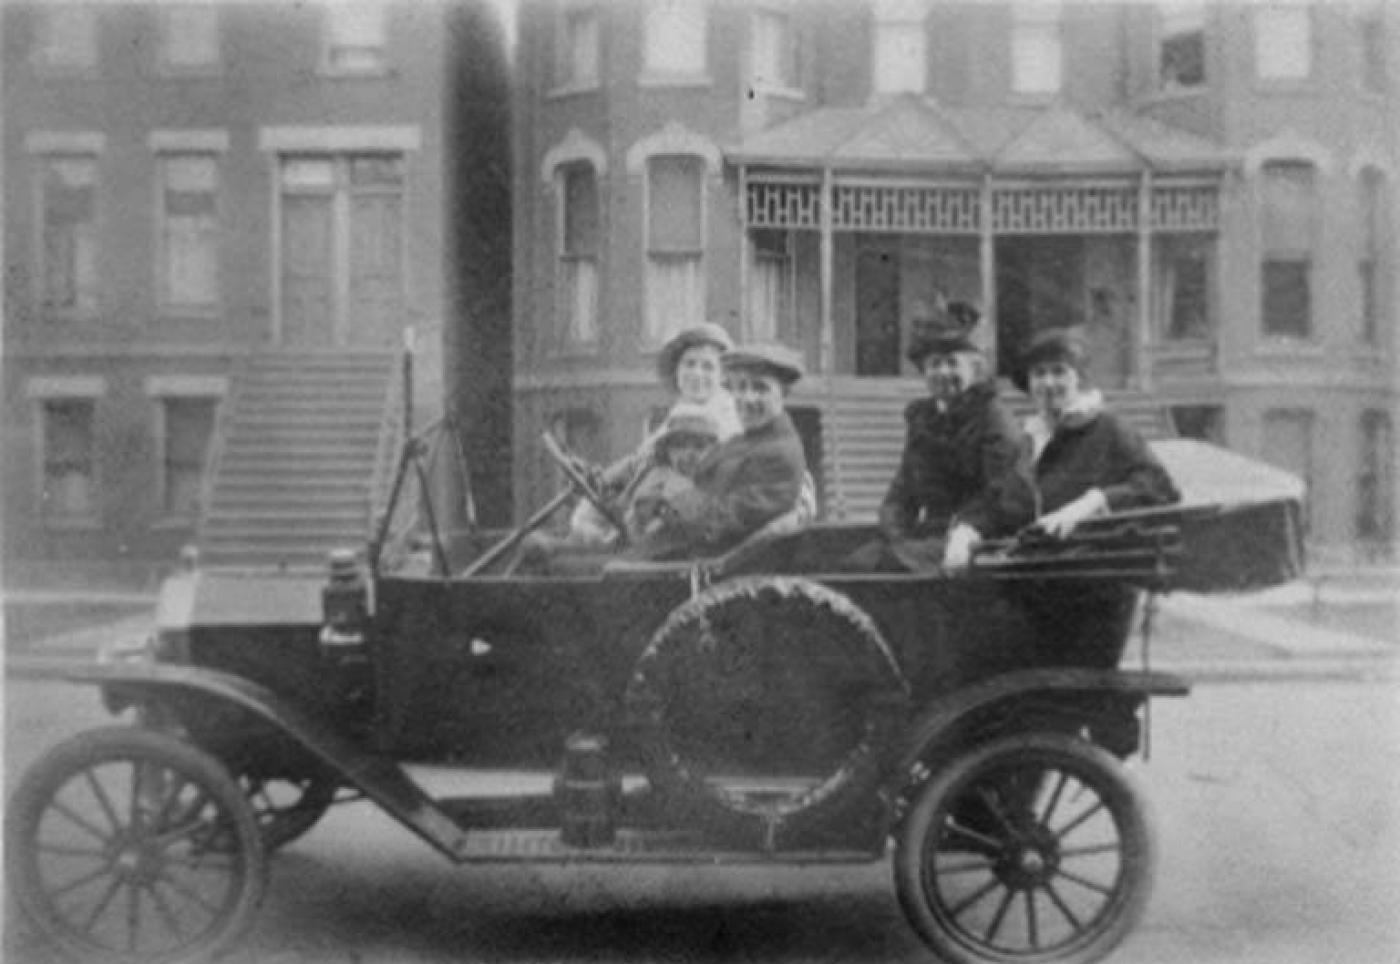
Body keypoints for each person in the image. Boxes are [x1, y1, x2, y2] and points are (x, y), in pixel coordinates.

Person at [850, 300, 1021, 572]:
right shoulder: (924, 420)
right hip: (933, 535)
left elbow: (999, 495)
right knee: (858, 561)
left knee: (888, 565)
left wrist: (966, 531)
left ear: (975, 369)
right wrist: (895, 532)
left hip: (981, 539)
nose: (943, 373)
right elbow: (903, 489)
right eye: (935, 364)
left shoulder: (994, 420)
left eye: (953, 363)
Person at [988, 326, 1180, 543]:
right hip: (1032, 562)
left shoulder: (1108, 428)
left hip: (1091, 561)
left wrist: (1094, 502)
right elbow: (999, 502)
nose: (1049, 383)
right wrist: (968, 528)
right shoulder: (1026, 438)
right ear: (1029, 383)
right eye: (1039, 373)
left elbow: (1159, 486)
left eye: (1059, 371)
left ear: (1078, 378)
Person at [568, 322, 741, 546]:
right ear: (677, 371)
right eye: (689, 364)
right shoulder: (680, 411)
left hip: (680, 518)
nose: (697, 374)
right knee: (584, 517)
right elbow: (640, 458)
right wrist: (603, 480)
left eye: (708, 367)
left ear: (723, 375)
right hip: (646, 505)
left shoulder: (725, 417)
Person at [637, 342, 810, 560]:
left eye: (760, 388)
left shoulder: (780, 454)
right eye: (740, 387)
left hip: (702, 559)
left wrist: (673, 503)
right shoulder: (744, 440)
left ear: (783, 394)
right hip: (680, 541)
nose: (747, 398)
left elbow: (726, 520)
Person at [622, 407, 719, 543]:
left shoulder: (716, 481)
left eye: (699, 446)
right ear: (667, 450)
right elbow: (635, 522)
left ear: (714, 451)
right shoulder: (658, 476)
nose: (689, 455)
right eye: (679, 446)